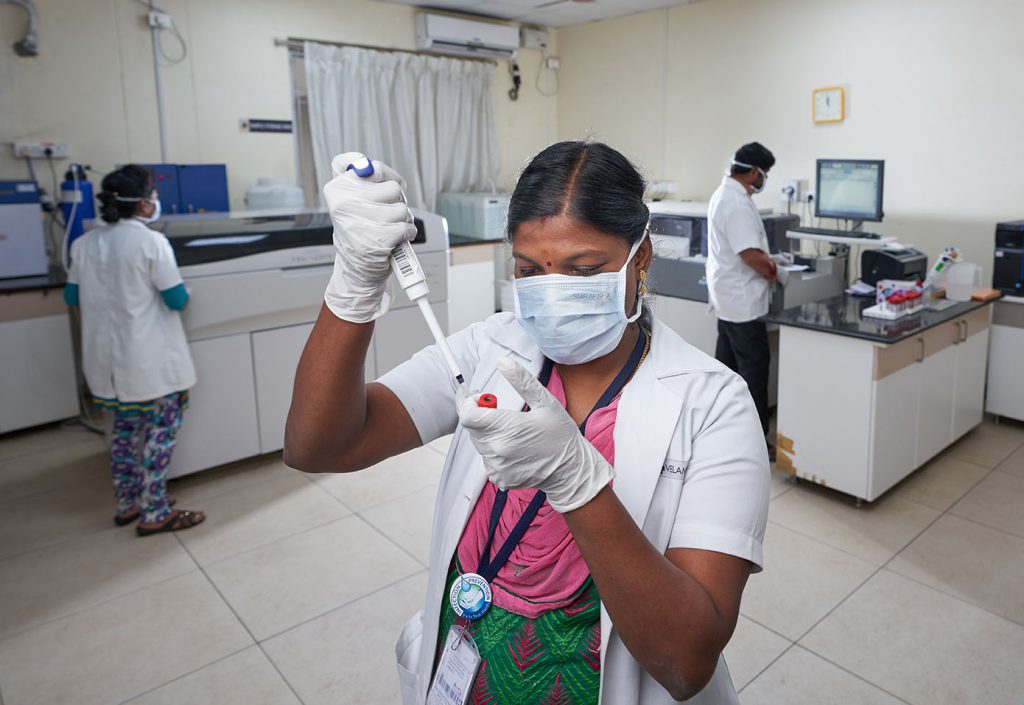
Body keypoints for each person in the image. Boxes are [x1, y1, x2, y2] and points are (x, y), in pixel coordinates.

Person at [285, 142, 769, 704]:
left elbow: (687, 663)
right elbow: (317, 446)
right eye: (530, 270)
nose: (554, 291)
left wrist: (576, 482)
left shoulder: (714, 404)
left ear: (641, 259)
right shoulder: (488, 348)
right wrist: (354, 283)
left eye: (583, 270)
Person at [64, 165, 205, 536]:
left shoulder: (84, 243)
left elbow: (72, 296)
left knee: (124, 435)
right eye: (153, 196)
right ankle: (155, 511)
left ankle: (127, 504)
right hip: (149, 363)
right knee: (160, 434)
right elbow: (176, 299)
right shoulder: (150, 242)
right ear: (143, 204)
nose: (156, 202)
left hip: (106, 366)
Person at [706, 142, 778, 457]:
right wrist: (774, 269)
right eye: (765, 174)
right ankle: (757, 443)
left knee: (727, 371)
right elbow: (749, 253)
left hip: (729, 299)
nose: (765, 179)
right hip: (742, 304)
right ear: (753, 172)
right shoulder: (734, 203)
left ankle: (724, 434)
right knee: (753, 372)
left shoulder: (727, 194)